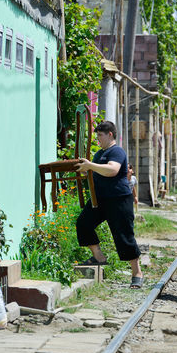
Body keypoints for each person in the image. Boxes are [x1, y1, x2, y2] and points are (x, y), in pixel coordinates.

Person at [75, 121, 143, 289]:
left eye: (100, 135)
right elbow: (96, 171)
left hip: (119, 199)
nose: (98, 139)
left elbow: (112, 170)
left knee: (124, 235)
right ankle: (99, 258)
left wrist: (90, 165)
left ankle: (137, 273)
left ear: (110, 134)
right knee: (83, 224)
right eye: (97, 135)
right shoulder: (99, 154)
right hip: (100, 199)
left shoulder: (117, 151)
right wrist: (85, 169)